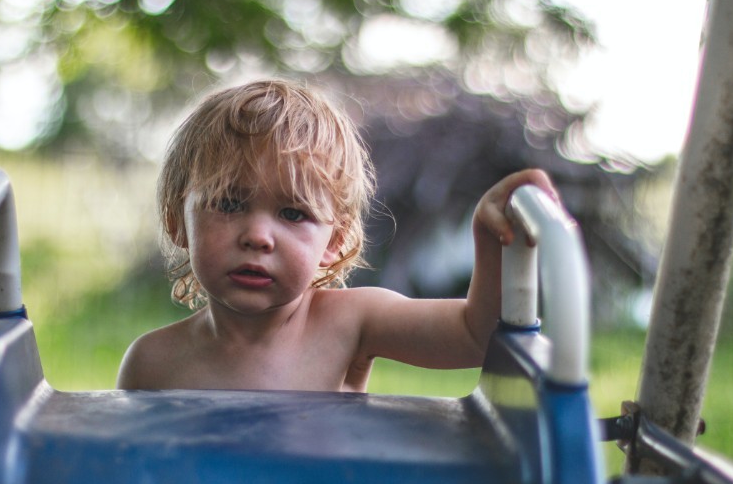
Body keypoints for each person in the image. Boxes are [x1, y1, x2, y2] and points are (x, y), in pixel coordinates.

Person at [117, 79, 558, 392]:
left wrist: (492, 240)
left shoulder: (351, 324)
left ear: (335, 243)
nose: (257, 236)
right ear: (178, 221)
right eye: (230, 204)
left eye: (293, 213)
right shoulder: (152, 363)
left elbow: (476, 337)